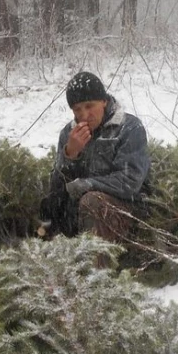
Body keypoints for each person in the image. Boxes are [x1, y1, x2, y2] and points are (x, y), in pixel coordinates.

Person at [40, 71, 151, 244]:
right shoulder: (68, 134)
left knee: (92, 202)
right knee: (48, 206)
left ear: (104, 101)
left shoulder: (129, 128)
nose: (84, 115)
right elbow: (57, 188)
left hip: (128, 209)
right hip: (81, 209)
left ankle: (96, 268)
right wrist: (70, 155)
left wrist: (89, 184)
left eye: (89, 106)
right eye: (77, 109)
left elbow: (130, 180)